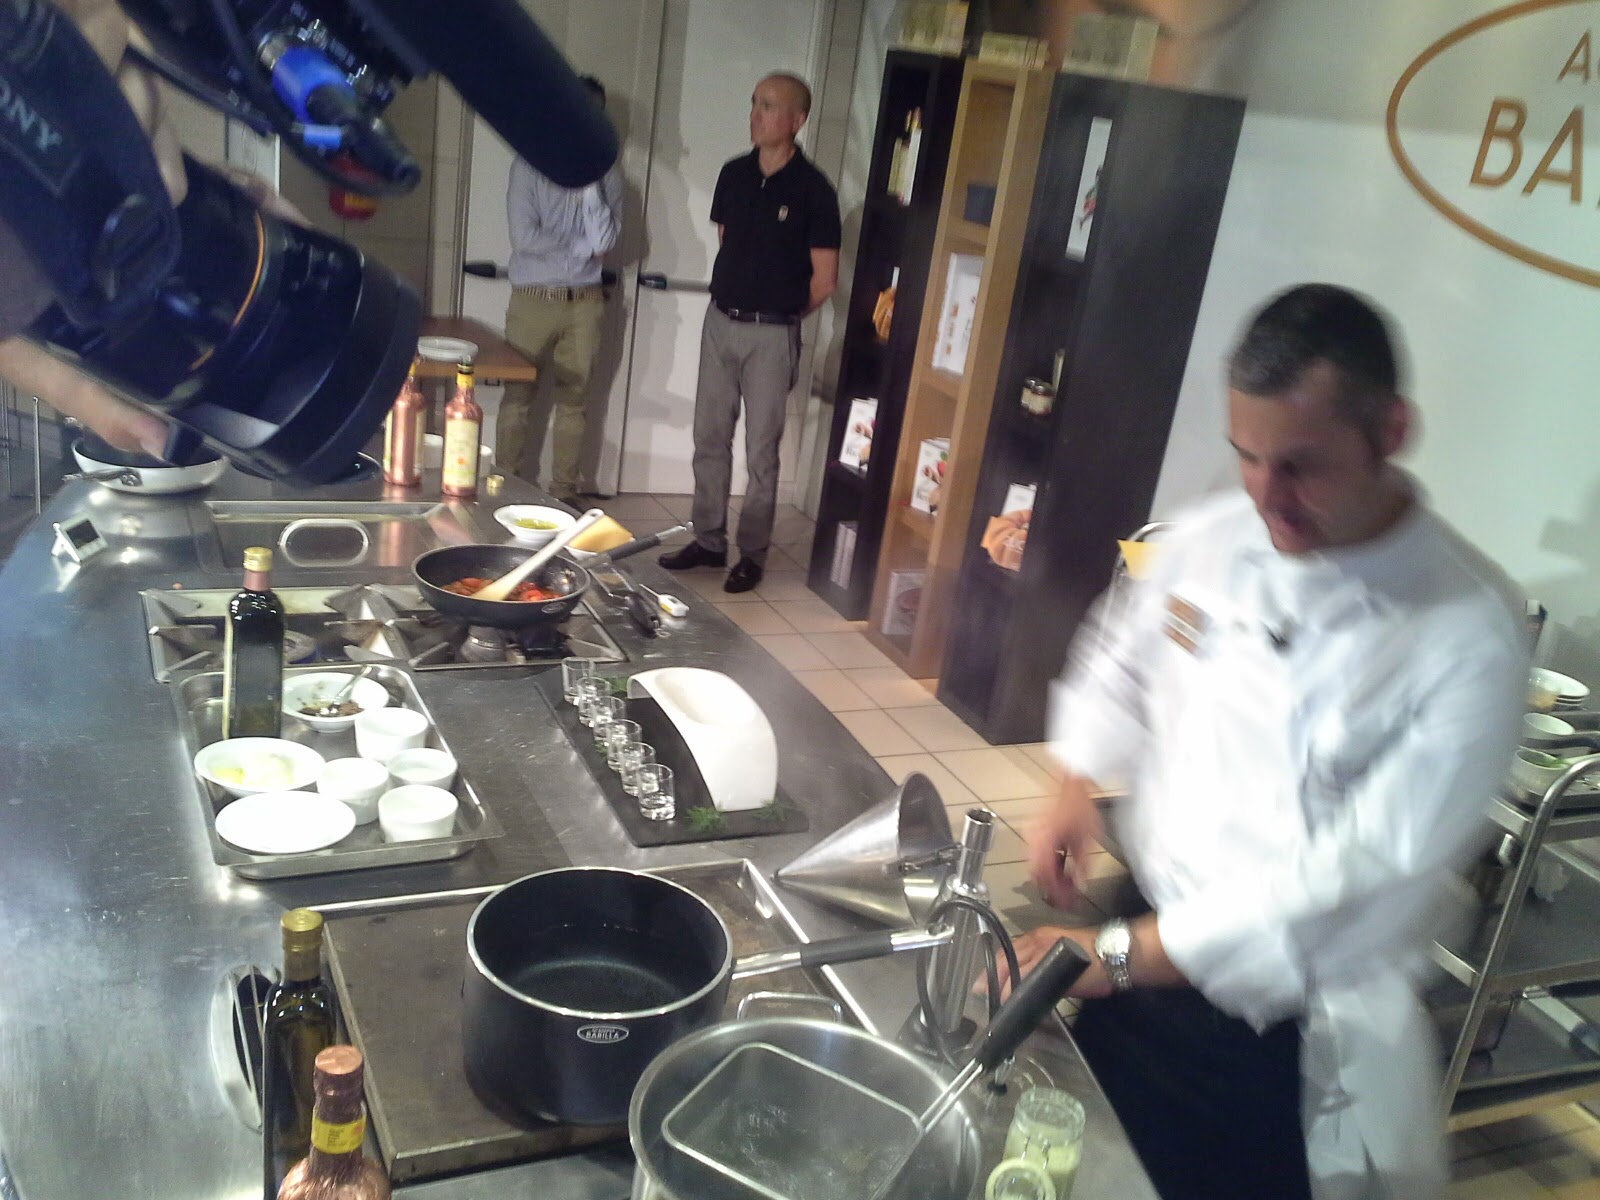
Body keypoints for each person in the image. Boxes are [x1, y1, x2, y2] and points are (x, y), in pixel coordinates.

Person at [1008, 284, 1528, 1199]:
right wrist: (1072, 780)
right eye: (1246, 456)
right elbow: (1120, 656)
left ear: (1392, 431)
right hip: (1140, 955)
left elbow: (1329, 889)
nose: (1265, 496)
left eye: (1301, 466)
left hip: (1279, 1039)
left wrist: (1111, 955)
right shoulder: (1218, 536)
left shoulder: (1469, 636)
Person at [659, 72, 840, 593]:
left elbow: (825, 280)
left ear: (797, 120)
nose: (756, 115)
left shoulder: (814, 191)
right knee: (709, 438)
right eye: (754, 103)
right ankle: (709, 541)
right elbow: (729, 242)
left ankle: (752, 553)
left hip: (772, 334)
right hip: (721, 323)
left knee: (762, 450)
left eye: (769, 106)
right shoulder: (734, 174)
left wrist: (780, 314)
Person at [496, 76, 622, 505]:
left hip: (585, 301)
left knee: (575, 400)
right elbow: (523, 238)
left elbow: (605, 242)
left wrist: (589, 187)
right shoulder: (527, 167)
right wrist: (581, 248)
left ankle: (564, 495)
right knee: (517, 396)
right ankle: (504, 489)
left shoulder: (608, 176)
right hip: (532, 298)